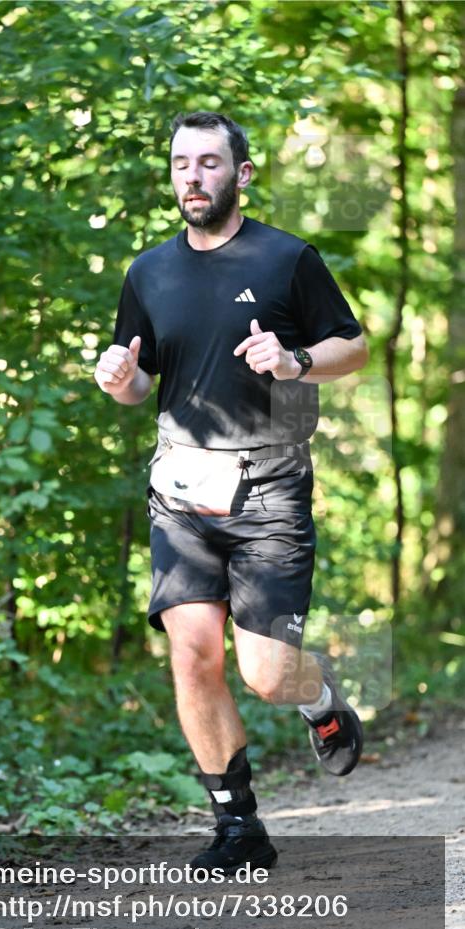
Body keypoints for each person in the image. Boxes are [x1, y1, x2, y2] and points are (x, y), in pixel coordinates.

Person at [94, 111, 368, 874]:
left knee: (266, 674)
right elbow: (141, 378)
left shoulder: (286, 260)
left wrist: (294, 360)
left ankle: (318, 701)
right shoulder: (148, 271)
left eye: (209, 163)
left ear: (240, 174)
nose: (192, 176)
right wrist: (122, 383)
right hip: (180, 490)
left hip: (269, 490)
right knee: (191, 656)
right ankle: (237, 826)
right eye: (181, 162)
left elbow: (354, 345)